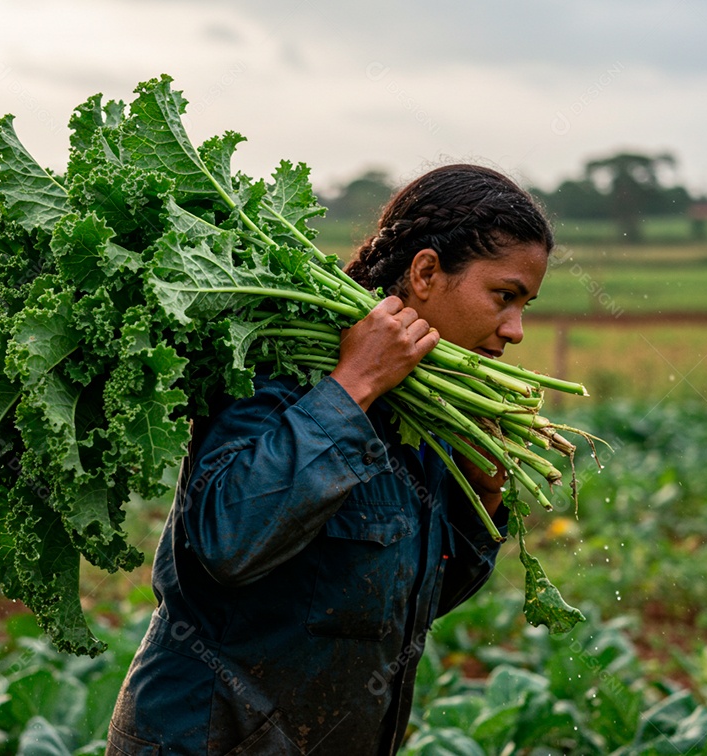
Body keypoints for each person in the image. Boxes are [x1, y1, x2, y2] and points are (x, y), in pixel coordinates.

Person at [105, 163, 554, 755]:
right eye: (504, 296)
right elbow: (226, 541)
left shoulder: (420, 408)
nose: (515, 330)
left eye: (525, 305)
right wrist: (351, 388)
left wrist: (482, 497)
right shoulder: (281, 363)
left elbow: (405, 604)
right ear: (425, 272)